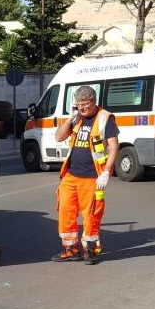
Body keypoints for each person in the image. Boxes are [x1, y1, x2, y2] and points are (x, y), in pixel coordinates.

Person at [51, 85, 119, 265]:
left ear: (93, 101)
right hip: (71, 175)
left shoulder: (105, 118)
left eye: (85, 104)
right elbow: (58, 138)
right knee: (65, 211)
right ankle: (71, 250)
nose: (82, 108)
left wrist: (106, 172)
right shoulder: (76, 118)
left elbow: (113, 147)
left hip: (92, 177)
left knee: (91, 215)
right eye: (78, 104)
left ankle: (90, 251)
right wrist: (70, 118)